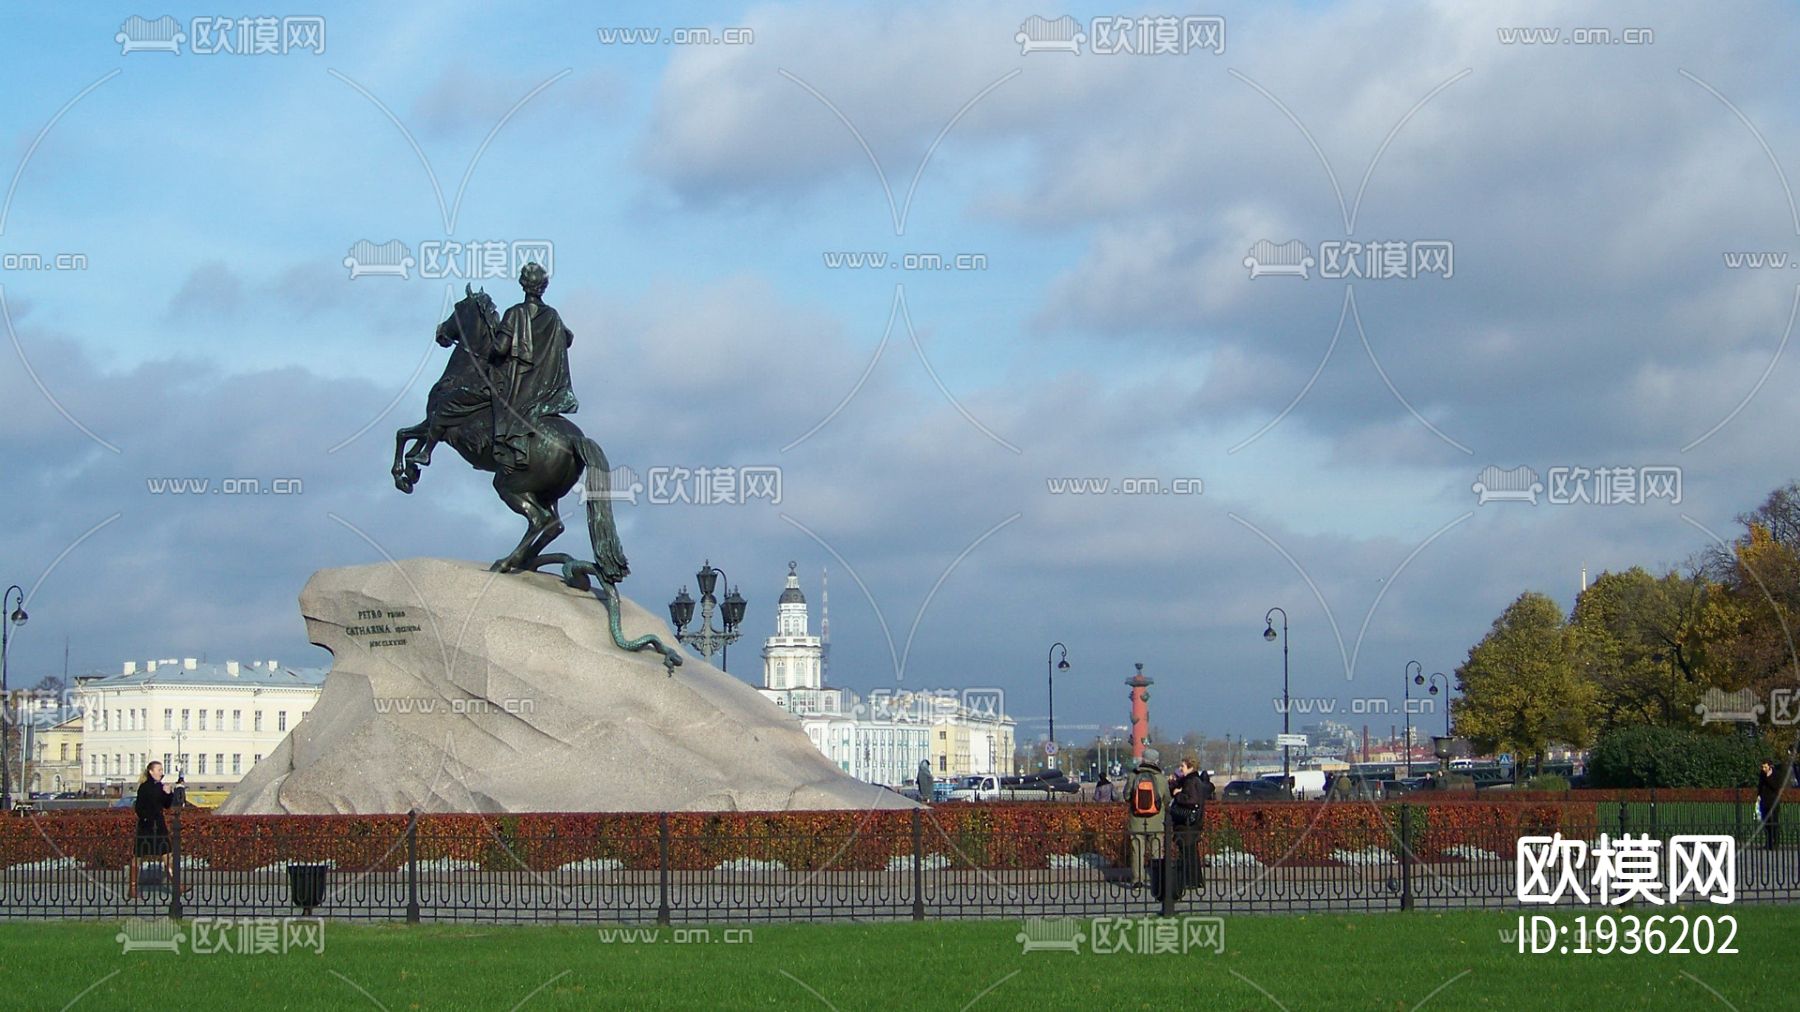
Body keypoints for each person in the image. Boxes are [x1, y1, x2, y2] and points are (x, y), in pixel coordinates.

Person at [490, 261, 579, 474]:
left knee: (494, 396)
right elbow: (568, 338)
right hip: (547, 389)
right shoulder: (552, 315)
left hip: (521, 386)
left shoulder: (514, 313)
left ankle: (506, 445)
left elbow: (500, 349)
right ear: (543, 286)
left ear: (523, 284)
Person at [129, 761, 185, 899]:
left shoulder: (159, 786)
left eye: (161, 770)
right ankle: (133, 887)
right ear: (151, 771)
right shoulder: (145, 787)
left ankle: (177, 886)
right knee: (138, 857)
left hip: (159, 826)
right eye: (159, 770)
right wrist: (164, 792)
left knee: (167, 855)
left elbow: (166, 805)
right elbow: (143, 806)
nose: (161, 772)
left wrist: (169, 793)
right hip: (146, 826)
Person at [1124, 749, 1171, 892]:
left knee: (1136, 850)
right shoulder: (1161, 778)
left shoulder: (1133, 776)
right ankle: (1157, 880)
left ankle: (1137, 880)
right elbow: (1167, 799)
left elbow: (1126, 796)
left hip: (1137, 820)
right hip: (1156, 820)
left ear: (1143, 760)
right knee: (1157, 851)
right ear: (1156, 761)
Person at [1169, 755, 1207, 894]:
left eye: (1183, 766)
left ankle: (1190, 880)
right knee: (1190, 852)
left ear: (1190, 767)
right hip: (1191, 824)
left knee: (1188, 852)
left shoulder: (1191, 781)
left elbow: (1192, 800)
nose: (1180, 769)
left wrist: (1178, 794)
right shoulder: (1194, 780)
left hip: (1187, 823)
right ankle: (1195, 880)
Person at [1758, 760, 1783, 849]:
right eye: (1762, 767)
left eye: (1765, 767)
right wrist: (1758, 795)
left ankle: (1775, 843)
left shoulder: (1776, 774)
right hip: (1764, 801)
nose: (1763, 769)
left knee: (1774, 823)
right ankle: (1768, 843)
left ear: (1770, 766)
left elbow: (1775, 787)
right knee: (1766, 823)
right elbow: (1760, 785)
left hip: (1773, 802)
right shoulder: (1762, 774)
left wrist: (1768, 777)